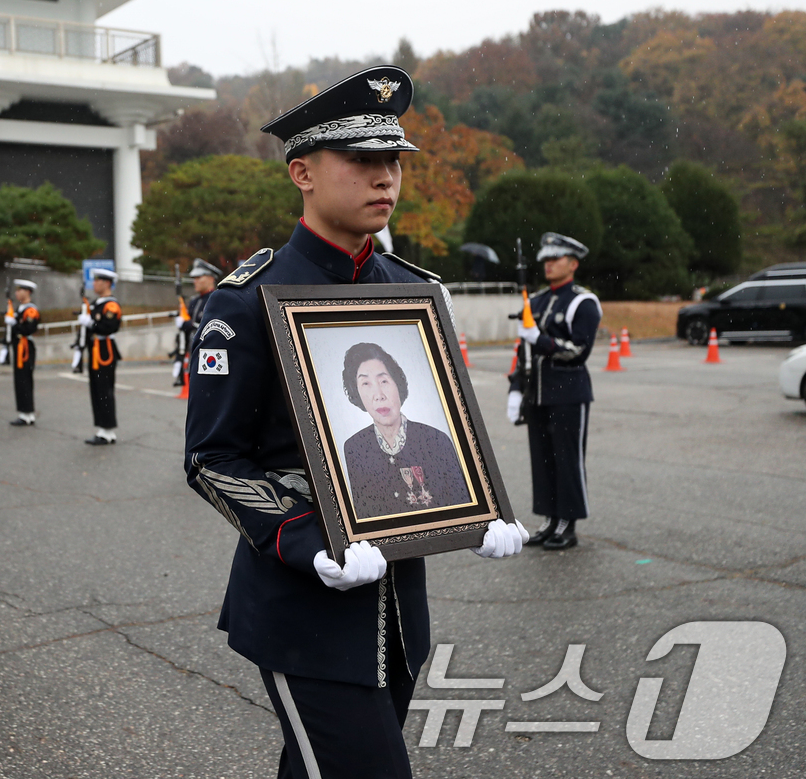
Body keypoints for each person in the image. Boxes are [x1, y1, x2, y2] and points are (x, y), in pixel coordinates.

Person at [183, 66, 527, 779]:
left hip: (398, 613)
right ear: (301, 172)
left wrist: (480, 510)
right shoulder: (246, 301)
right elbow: (212, 458)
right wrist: (303, 539)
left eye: (393, 161)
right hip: (303, 611)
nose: (385, 178)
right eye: (362, 160)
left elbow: (438, 426)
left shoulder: (413, 291)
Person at [507, 232, 600, 550]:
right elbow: (524, 351)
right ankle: (549, 519)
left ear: (572, 264)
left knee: (566, 459)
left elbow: (578, 351)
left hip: (568, 392)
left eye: (555, 259)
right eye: (545, 259)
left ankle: (567, 523)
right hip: (539, 393)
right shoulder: (537, 300)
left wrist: (540, 339)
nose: (548, 264)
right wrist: (516, 388)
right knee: (543, 459)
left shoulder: (582, 302)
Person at [340, 342, 468, 517]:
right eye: (365, 384)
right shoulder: (354, 448)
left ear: (397, 384)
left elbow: (462, 509)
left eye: (383, 381)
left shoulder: (436, 441)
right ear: (357, 392)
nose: (379, 395)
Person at [80, 268, 122, 445]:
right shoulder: (97, 303)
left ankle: (108, 430)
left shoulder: (110, 305)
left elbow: (109, 326)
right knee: (96, 389)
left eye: (98, 281)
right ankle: (102, 428)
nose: (94, 283)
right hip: (95, 349)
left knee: (104, 389)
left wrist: (91, 323)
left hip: (105, 349)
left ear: (106, 283)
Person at [174, 258, 222, 385]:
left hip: (210, 354)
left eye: (199, 277)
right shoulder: (195, 301)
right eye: (194, 278)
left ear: (211, 278)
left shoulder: (217, 299)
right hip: (193, 353)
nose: (195, 281)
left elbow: (210, 326)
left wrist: (187, 324)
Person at [6, 279, 41, 426]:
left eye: (20, 290)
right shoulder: (20, 309)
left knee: (24, 379)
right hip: (18, 346)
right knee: (20, 380)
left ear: (27, 292)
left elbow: (29, 329)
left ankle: (28, 413)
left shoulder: (30, 310)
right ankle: (24, 412)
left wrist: (14, 324)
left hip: (25, 348)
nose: (16, 293)